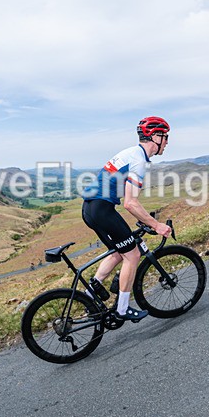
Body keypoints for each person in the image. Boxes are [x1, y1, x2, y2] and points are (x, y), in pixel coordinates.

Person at [80, 116, 173, 321]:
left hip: (90, 209)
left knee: (120, 250)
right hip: (101, 209)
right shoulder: (138, 160)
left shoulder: (131, 153)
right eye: (165, 137)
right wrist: (156, 225)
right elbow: (130, 203)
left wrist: (145, 218)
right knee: (133, 254)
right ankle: (122, 308)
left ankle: (89, 295)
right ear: (155, 137)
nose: (167, 142)